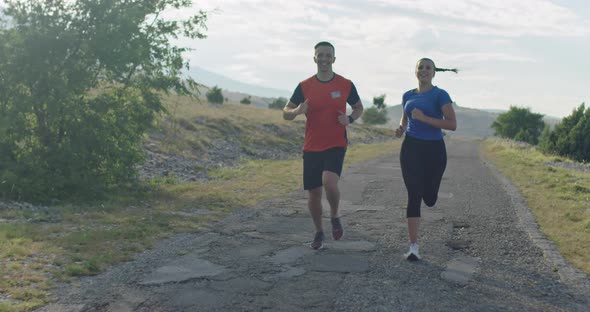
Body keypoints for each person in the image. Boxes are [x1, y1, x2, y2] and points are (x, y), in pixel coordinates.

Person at [283, 41, 364, 250]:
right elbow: (286, 113)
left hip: (336, 142)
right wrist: (297, 111)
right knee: (314, 194)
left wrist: (350, 119)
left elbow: (358, 107)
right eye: (320, 55)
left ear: (334, 59)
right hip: (311, 146)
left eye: (328, 55)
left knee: (329, 181)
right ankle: (319, 231)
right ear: (314, 58)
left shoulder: (345, 84)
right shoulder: (305, 86)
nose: (324, 59)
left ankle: (335, 215)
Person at [395, 58, 457, 260]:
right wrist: (401, 128)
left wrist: (424, 119)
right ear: (415, 71)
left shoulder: (440, 95)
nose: (423, 70)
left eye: (427, 68)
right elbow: (405, 120)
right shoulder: (407, 95)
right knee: (414, 195)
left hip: (434, 150)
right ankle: (413, 247)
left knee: (429, 198)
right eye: (420, 67)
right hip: (411, 147)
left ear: (434, 72)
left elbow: (452, 124)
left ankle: (428, 194)